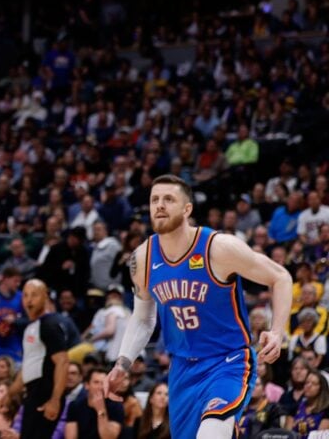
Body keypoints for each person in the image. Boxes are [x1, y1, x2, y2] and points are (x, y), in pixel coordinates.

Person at [105, 174, 292, 439]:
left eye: (168, 199)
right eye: (154, 199)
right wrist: (122, 364)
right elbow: (143, 319)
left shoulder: (218, 248)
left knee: (212, 432)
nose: (159, 205)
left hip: (226, 361)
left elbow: (281, 276)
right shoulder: (143, 258)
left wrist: (277, 331)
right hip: (182, 368)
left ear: (187, 209)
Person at [10, 279, 72, 438]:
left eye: (34, 295)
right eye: (25, 295)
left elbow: (63, 362)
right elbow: (28, 366)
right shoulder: (31, 327)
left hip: (45, 394)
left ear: (45, 297)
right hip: (33, 394)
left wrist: (55, 400)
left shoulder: (49, 324)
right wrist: (9, 394)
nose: (28, 300)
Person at [64, 369, 124, 439]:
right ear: (87, 385)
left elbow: (109, 437)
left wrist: (101, 409)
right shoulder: (75, 405)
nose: (100, 387)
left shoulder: (116, 406)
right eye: (96, 382)